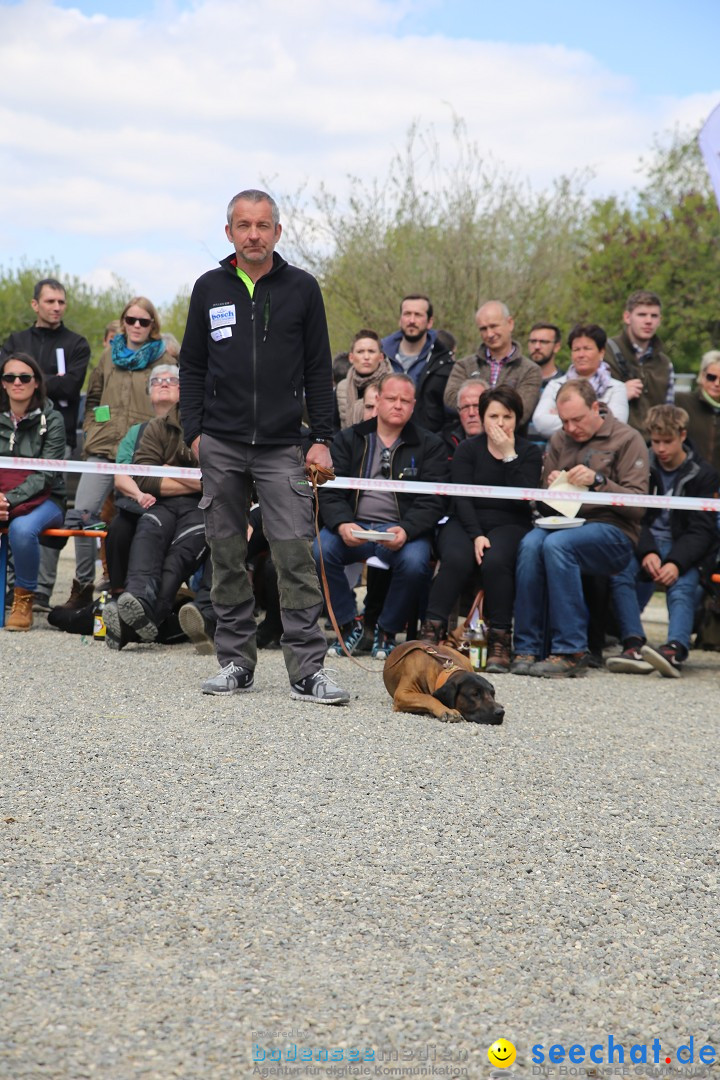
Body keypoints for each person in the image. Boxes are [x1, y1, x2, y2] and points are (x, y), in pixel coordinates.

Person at [179, 187, 349, 704]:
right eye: (243, 225)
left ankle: (307, 670)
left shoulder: (303, 288)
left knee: (296, 554)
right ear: (228, 232)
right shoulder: (209, 288)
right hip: (222, 444)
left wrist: (322, 438)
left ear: (278, 231)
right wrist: (195, 433)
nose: (254, 234)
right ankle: (235, 662)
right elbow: (192, 365)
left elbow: (320, 369)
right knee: (227, 554)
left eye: (263, 225)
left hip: (283, 446)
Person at [511, 380, 649, 678]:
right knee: (531, 543)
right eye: (564, 421)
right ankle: (526, 646)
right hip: (563, 525)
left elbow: (639, 506)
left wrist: (598, 481)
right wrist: (551, 489)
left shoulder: (627, 438)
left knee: (557, 546)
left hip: (614, 531)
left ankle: (571, 649)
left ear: (596, 407)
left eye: (577, 419)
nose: (570, 428)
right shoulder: (559, 440)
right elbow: (546, 507)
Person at [315, 373, 448, 659]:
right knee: (320, 550)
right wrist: (341, 523)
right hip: (355, 526)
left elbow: (433, 501)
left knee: (415, 563)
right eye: (391, 398)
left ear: (413, 405)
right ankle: (349, 625)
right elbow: (329, 491)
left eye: (405, 400)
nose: (397, 405)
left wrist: (408, 530)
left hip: (401, 530)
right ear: (377, 400)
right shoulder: (349, 439)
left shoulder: (430, 445)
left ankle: (386, 631)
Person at [51, 297, 168, 611]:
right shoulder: (107, 356)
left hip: (145, 455)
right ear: (123, 322)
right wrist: (93, 429)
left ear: (153, 325)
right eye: (131, 320)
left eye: (144, 321)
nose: (137, 326)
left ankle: (141, 592)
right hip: (103, 451)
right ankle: (83, 586)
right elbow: (93, 400)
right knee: (83, 516)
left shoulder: (165, 358)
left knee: (144, 521)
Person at [420, 386, 542, 672]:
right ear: (483, 418)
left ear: (518, 419)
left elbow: (523, 496)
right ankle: (431, 632)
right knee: (457, 558)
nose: (500, 423)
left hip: (510, 520)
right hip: (466, 519)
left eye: (508, 416)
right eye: (494, 416)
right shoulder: (467, 449)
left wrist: (509, 455)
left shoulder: (528, 453)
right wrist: (476, 534)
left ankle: (500, 639)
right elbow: (461, 496)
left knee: (497, 561)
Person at [607, 406, 719, 678]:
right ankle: (633, 643)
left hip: (684, 548)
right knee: (620, 571)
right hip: (643, 542)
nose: (660, 449)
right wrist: (647, 551)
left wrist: (675, 562)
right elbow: (634, 515)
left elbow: (703, 530)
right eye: (655, 442)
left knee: (681, 584)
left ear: (682, 435)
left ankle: (675, 648)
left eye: (667, 441)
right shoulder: (640, 465)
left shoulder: (704, 474)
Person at [103, 399, 205, 649]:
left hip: (204, 508)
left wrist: (168, 471)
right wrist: (198, 480)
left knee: (177, 557)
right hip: (163, 504)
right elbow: (144, 478)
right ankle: (137, 601)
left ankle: (133, 625)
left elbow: (226, 482)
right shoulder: (158, 427)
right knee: (147, 532)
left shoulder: (226, 425)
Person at [0, 353, 65, 630]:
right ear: (2, 383)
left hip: (48, 499)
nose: (17, 382)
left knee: (22, 529)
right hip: (2, 497)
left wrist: (7, 499)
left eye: (24, 377)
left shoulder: (53, 419)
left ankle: (24, 598)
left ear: (36, 382)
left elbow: (46, 474)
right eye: (9, 377)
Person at [0, 278, 91, 451]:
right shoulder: (16, 341)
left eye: (61, 302)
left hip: (57, 437)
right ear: (35, 305)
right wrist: (53, 380)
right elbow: (4, 381)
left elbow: (70, 387)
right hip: (15, 434)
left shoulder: (77, 344)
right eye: (50, 301)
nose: (57, 307)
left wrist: (24, 380)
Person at [444, 300, 542, 430]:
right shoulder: (464, 365)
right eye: (483, 329)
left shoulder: (530, 370)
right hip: (467, 442)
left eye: (494, 326)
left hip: (511, 444)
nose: (489, 334)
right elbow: (451, 399)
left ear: (510, 323)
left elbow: (521, 411)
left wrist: (472, 403)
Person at [531, 323, 629, 439]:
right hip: (563, 451)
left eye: (587, 349)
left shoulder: (616, 388)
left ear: (601, 352)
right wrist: (593, 419)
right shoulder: (556, 385)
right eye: (576, 349)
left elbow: (615, 425)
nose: (581, 355)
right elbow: (541, 423)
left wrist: (562, 416)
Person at [381, 295, 455, 433]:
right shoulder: (381, 357)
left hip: (427, 445)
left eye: (418, 315)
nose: (412, 320)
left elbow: (451, 415)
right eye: (407, 314)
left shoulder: (444, 363)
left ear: (430, 322)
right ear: (400, 319)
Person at [606, 289, 674, 433]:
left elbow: (669, 413)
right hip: (615, 442)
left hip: (655, 446)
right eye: (642, 315)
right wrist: (620, 394)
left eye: (654, 316)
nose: (648, 321)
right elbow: (588, 401)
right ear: (627, 317)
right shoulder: (605, 352)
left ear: (660, 320)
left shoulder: (665, 364)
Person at [335, 330, 392, 429]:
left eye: (371, 351)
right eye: (360, 352)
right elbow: (334, 427)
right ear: (351, 357)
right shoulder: (341, 388)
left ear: (381, 357)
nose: (366, 357)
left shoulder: (394, 386)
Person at [675, 351, 720, 475]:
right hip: (687, 478)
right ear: (702, 375)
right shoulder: (681, 401)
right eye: (711, 377)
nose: (716, 383)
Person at [527, 323, 564, 388]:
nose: (537, 346)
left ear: (556, 347)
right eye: (533, 341)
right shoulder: (518, 379)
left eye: (543, 342)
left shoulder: (565, 383)